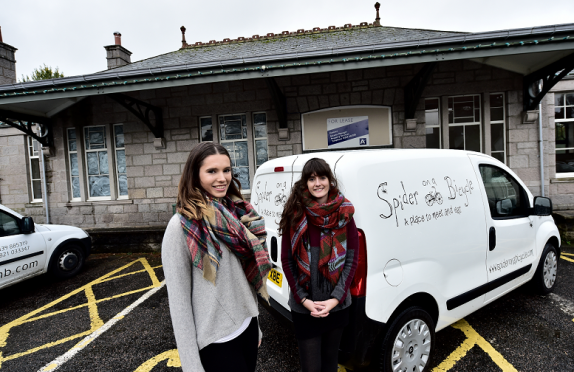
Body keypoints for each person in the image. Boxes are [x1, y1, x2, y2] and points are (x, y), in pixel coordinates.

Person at [162, 142, 271, 372]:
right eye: (212, 171)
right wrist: (191, 365)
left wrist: (256, 324)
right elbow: (179, 303)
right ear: (195, 175)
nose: (222, 178)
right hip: (215, 339)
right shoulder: (181, 226)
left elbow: (245, 279)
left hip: (247, 326)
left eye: (226, 170)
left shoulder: (237, 212)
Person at [279, 158, 359, 372]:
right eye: (311, 178)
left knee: (330, 364)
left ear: (330, 180)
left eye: (322, 177)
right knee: (311, 368)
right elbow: (287, 261)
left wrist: (335, 299)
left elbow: (351, 260)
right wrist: (304, 300)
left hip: (337, 306)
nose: (317, 183)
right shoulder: (295, 214)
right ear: (305, 183)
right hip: (305, 308)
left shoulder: (345, 214)